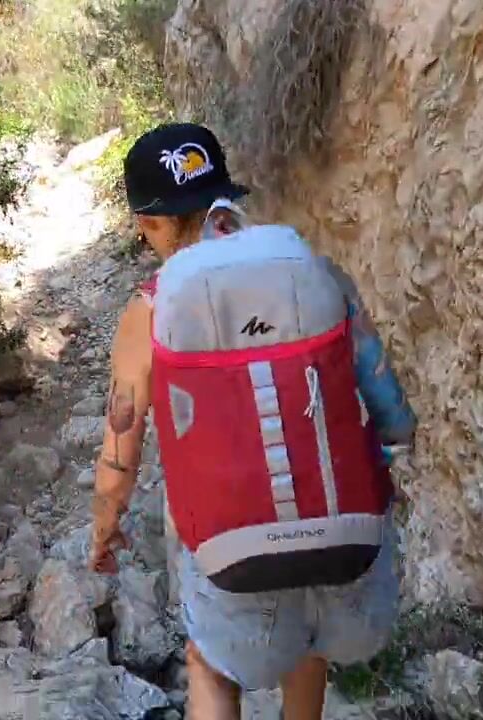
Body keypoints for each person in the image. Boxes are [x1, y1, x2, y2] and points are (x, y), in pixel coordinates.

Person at [88, 122, 417, 720]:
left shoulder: (153, 307)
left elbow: (121, 450)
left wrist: (105, 529)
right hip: (349, 551)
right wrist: (387, 459)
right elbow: (387, 401)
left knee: (211, 664)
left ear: (149, 223)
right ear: (225, 196)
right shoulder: (308, 269)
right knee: (308, 650)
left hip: (230, 556)